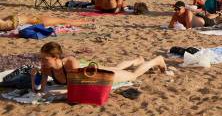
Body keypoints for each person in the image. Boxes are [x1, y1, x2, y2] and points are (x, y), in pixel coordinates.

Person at [31, 42, 166, 91]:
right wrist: (33, 78)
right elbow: (39, 90)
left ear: (56, 58)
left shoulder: (70, 62)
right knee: (115, 67)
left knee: (133, 76)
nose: (42, 61)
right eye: (41, 58)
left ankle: (157, 60)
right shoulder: (45, 68)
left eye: (45, 58)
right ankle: (137, 60)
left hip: (95, 74)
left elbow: (75, 87)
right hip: (90, 71)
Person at [0, 14, 91, 32]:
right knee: (62, 21)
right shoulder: (8, 24)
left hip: (25, 20)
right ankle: (84, 22)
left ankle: (83, 22)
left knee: (62, 20)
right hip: (33, 20)